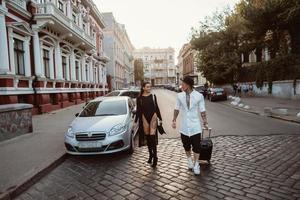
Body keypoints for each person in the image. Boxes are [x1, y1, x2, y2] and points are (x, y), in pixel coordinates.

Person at [172, 76, 208, 175]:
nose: (181, 86)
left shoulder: (198, 96)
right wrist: (174, 120)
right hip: (184, 127)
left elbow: (202, 110)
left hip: (195, 126)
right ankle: (189, 160)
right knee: (186, 146)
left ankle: (196, 164)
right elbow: (176, 108)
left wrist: (205, 122)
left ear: (188, 85)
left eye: (183, 84)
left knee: (196, 147)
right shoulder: (180, 96)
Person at [135, 82, 162, 168]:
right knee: (148, 138)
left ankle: (155, 157)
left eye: (150, 86)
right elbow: (139, 110)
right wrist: (136, 121)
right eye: (147, 87)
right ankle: (150, 155)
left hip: (153, 117)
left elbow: (157, 107)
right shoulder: (139, 98)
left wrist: (160, 119)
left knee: (152, 137)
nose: (149, 88)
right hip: (144, 118)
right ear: (143, 88)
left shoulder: (153, 96)